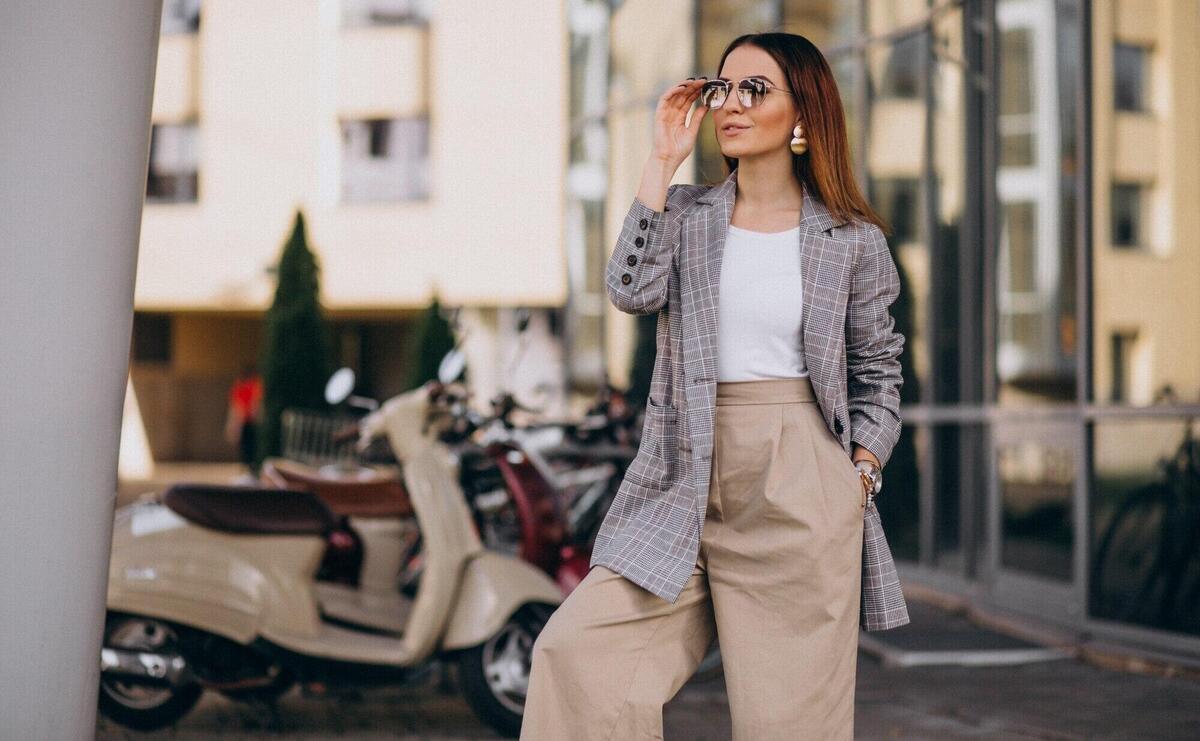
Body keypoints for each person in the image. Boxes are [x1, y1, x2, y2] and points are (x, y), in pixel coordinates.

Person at [520, 32, 904, 740]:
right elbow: (629, 289)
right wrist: (661, 159)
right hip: (682, 476)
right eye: (723, 86)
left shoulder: (851, 241)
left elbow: (878, 373)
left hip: (800, 488)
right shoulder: (689, 215)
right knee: (577, 656)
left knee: (788, 726)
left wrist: (858, 473)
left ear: (802, 115)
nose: (731, 102)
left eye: (756, 89)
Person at [225, 364, 263, 471]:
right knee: (248, 444)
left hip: (248, 420)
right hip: (246, 420)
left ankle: (249, 464)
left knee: (248, 444)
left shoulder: (252, 385)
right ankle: (248, 465)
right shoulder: (246, 386)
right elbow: (238, 405)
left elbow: (238, 405)